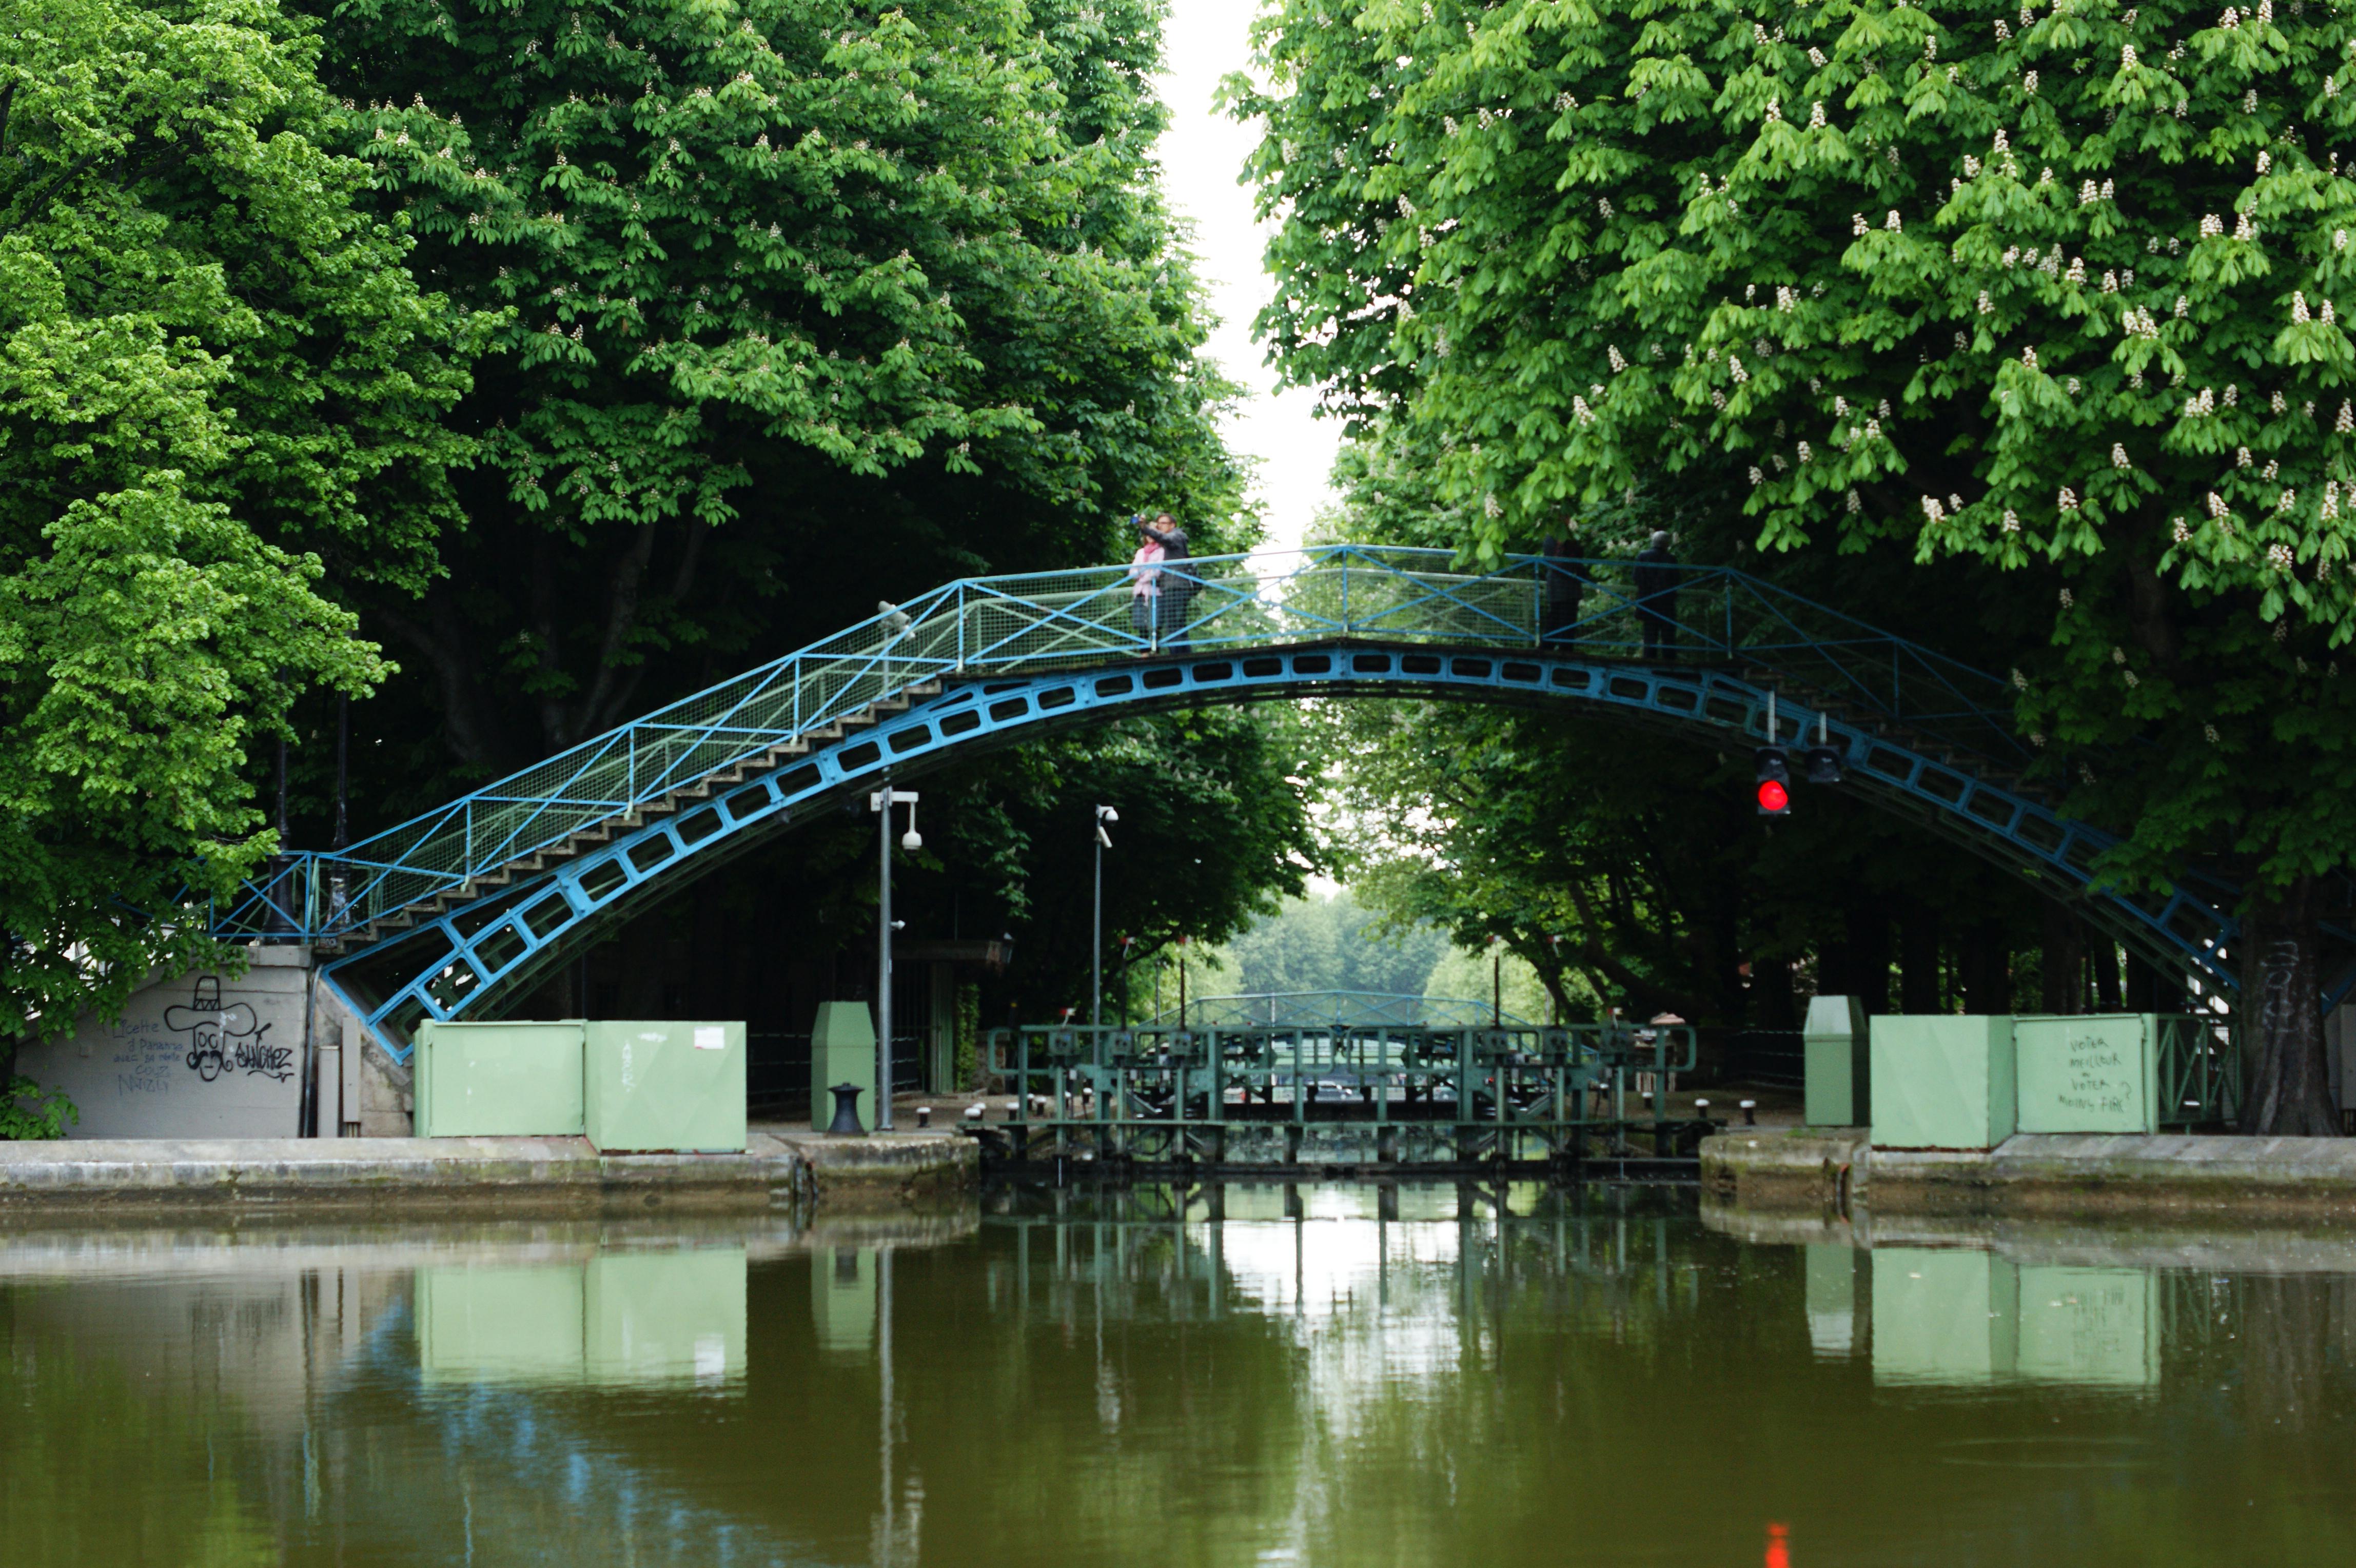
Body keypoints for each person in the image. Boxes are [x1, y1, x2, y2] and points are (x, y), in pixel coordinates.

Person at [1148, 511, 1196, 650]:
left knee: (1175, 622)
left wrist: (1146, 528)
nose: (1161, 526)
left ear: (1172, 525)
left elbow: (1165, 539)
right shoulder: (1171, 541)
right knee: (1175, 622)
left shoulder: (1176, 536)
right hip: (1171, 585)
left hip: (1178, 585)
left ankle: (1180, 654)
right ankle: (1181, 653)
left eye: (1164, 523)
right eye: (1159, 524)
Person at [1633, 528, 1678, 661]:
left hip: (1648, 601)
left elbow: (1636, 578)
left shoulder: (1643, 556)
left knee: (1650, 634)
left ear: (1653, 542)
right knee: (1668, 635)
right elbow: (1676, 580)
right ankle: (1670, 662)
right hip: (1666, 603)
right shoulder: (1671, 559)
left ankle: (1649, 660)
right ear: (1667, 544)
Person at [1540, 527, 1588, 648]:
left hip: (1565, 584)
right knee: (1561, 616)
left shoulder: (1559, 537)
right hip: (1563, 583)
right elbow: (1554, 562)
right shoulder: (1554, 537)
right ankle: (1555, 646)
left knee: (1563, 616)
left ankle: (1556, 646)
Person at [1127, 517, 1164, 647]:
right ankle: (1144, 652)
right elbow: (1133, 570)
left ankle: (1156, 650)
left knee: (1155, 623)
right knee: (1140, 623)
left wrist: (1142, 576)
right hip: (1140, 592)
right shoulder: (1140, 552)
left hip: (1155, 592)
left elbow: (1157, 571)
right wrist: (1142, 574)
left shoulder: (1162, 551)